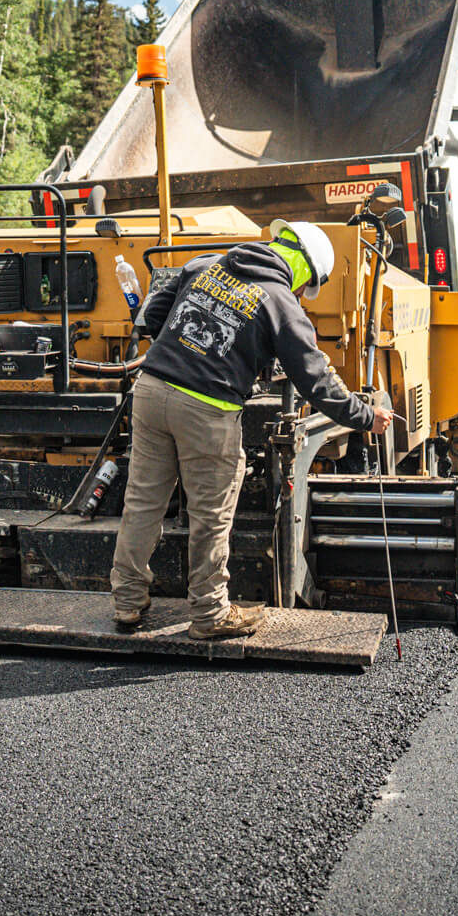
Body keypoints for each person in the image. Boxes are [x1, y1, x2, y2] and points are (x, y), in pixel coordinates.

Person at [112, 220, 395, 640]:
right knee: (209, 514)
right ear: (304, 271)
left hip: (151, 390)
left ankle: (127, 603)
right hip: (206, 408)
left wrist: (192, 349)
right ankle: (209, 614)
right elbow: (316, 382)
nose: (302, 295)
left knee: (142, 502)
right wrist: (366, 416)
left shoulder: (205, 264)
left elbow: (153, 314)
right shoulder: (281, 303)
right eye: (306, 287)